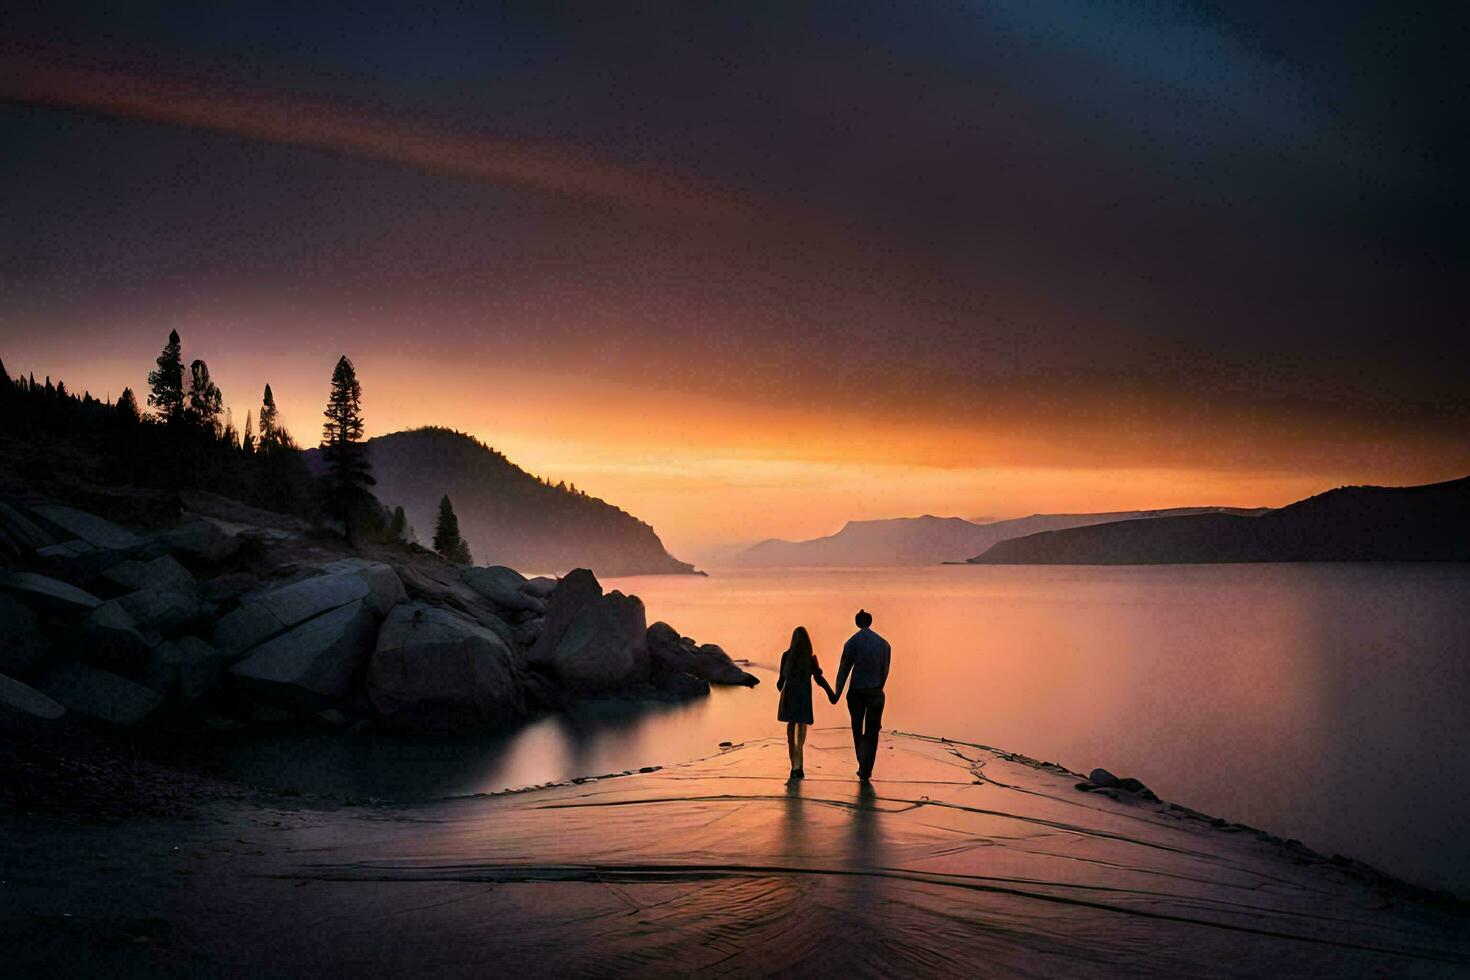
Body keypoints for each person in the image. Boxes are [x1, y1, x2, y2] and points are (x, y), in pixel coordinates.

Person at [830, 608, 891, 780]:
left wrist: (837, 693)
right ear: (870, 622)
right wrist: (878, 688)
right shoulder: (884, 644)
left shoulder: (852, 643)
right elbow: (885, 671)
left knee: (857, 729)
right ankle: (867, 768)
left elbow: (844, 670)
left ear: (857, 623)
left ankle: (862, 764)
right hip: (875, 693)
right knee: (872, 732)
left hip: (856, 692)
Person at [776, 626, 836, 779]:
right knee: (802, 727)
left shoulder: (786, 656)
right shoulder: (810, 658)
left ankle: (794, 766)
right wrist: (831, 693)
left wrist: (785, 681)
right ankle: (799, 764)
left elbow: (780, 683)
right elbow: (818, 679)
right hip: (803, 695)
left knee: (791, 728)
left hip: (789, 695)